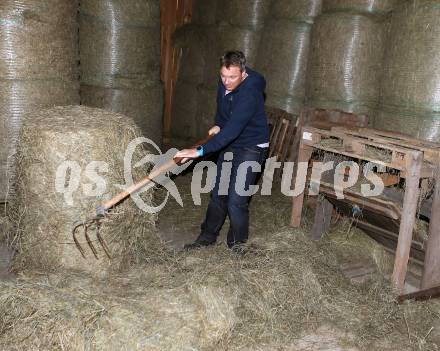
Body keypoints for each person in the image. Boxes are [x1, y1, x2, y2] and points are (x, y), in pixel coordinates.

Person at [175, 50, 269, 252]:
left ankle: (237, 245)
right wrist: (218, 124)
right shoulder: (226, 81)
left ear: (243, 74)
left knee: (236, 200)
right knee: (219, 194)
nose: (226, 81)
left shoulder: (249, 93)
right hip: (231, 142)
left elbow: (233, 130)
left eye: (232, 77)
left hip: (251, 145)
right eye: (223, 76)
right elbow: (223, 109)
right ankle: (207, 237)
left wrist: (199, 151)